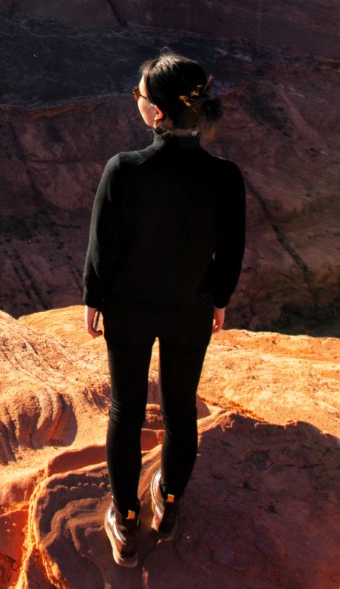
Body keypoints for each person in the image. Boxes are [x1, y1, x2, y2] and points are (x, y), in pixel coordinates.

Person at [82, 48, 247, 566]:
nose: (137, 100)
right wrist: (219, 299)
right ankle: (169, 506)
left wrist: (94, 299)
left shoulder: (124, 170)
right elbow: (232, 247)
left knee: (126, 411)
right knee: (180, 410)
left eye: (140, 94)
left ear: (157, 112)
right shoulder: (225, 177)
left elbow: (102, 245)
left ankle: (125, 522)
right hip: (190, 310)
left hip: (128, 309)